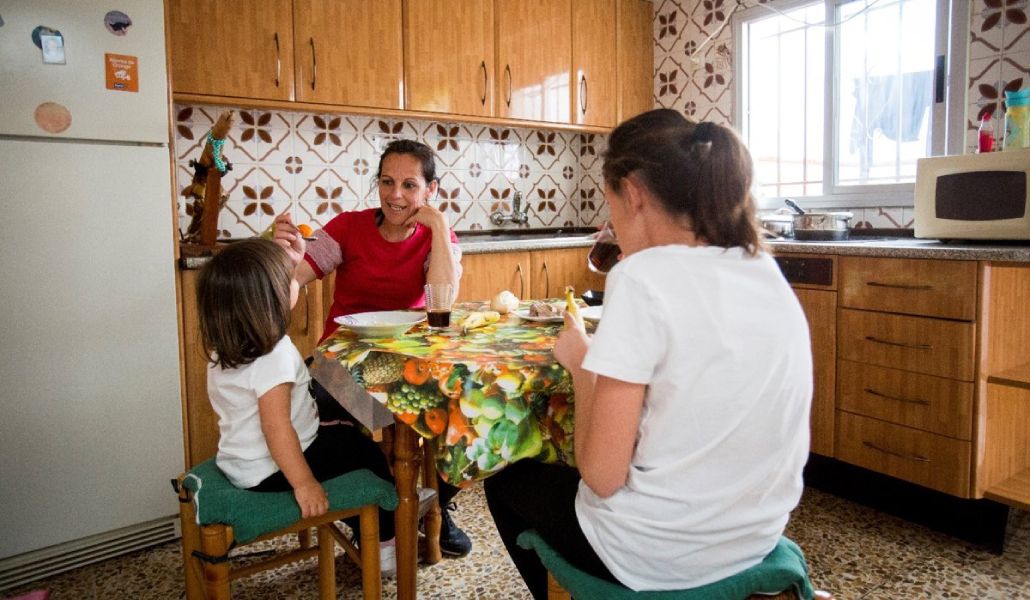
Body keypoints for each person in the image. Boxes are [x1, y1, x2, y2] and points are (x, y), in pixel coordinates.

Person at [483, 109, 813, 597]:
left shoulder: (640, 278)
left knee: (507, 483)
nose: (611, 222)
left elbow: (600, 476)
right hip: (754, 536)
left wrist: (581, 366)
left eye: (610, 203)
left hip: (657, 555)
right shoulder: (763, 269)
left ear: (633, 192)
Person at [271, 139, 472, 557]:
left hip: (412, 359)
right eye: (387, 182)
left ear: (430, 190)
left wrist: (436, 228)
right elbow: (293, 284)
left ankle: (438, 503)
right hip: (343, 359)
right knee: (317, 410)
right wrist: (283, 260)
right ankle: (377, 510)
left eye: (410, 185)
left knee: (464, 409)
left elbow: (444, 298)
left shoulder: (440, 234)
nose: (396, 195)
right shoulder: (348, 226)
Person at [196, 238, 398, 574]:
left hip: (240, 462)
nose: (296, 281)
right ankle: (384, 543)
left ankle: (366, 529)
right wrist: (304, 484)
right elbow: (276, 428)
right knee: (365, 453)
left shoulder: (224, 350)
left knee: (342, 429)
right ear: (269, 302)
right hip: (273, 469)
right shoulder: (273, 356)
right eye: (288, 279)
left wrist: (289, 257)